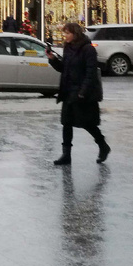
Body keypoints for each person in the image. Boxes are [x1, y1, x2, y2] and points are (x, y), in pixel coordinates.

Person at [46, 21, 109, 165]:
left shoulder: (88, 49)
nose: (65, 36)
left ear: (75, 34)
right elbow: (64, 68)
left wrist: (83, 91)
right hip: (68, 90)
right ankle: (66, 155)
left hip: (82, 92)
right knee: (66, 123)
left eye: (67, 33)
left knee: (87, 123)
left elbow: (91, 72)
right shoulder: (68, 48)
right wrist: (53, 59)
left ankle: (103, 145)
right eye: (64, 33)